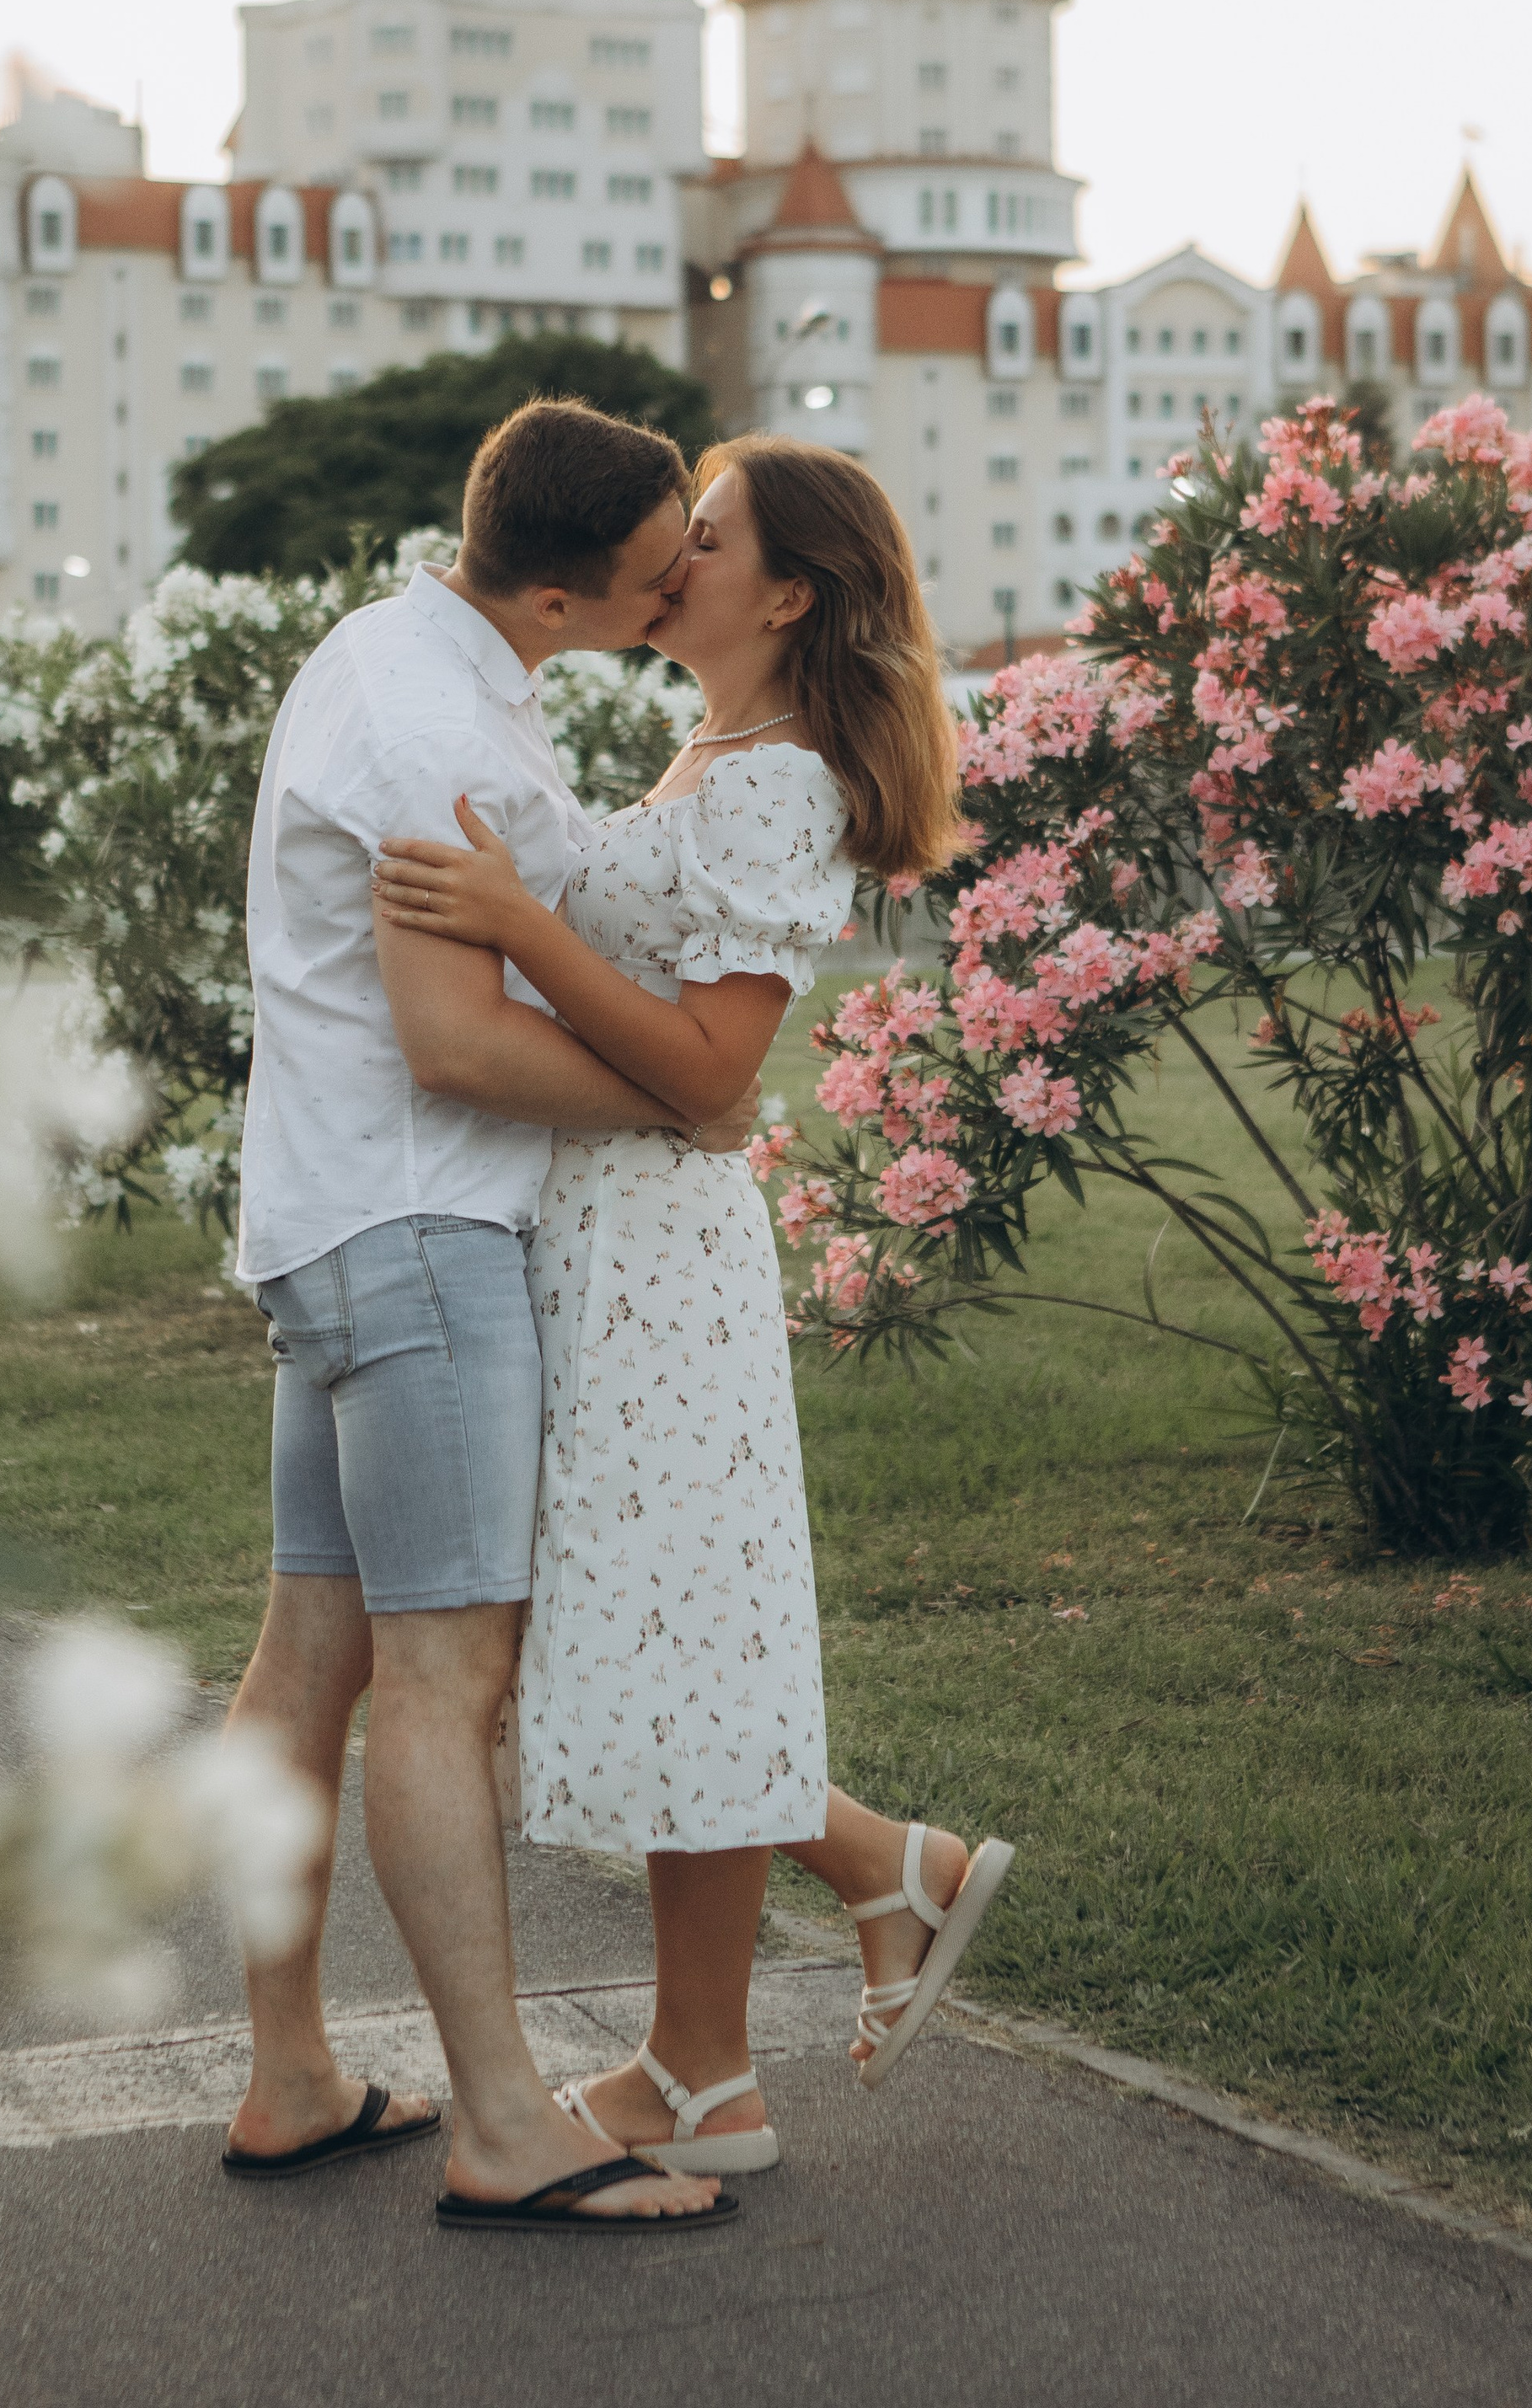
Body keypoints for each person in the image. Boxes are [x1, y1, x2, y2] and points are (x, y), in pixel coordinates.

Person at [372, 435, 1015, 2177]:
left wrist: (517, 917)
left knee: (667, 1632)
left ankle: (744, 2028)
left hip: (656, 1258)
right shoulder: (713, 755)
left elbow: (713, 1065)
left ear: (786, 592)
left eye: (705, 539)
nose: (672, 561)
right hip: (604, 1230)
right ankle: (749, 2015)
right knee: (652, 1629)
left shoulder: (778, 785)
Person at [222, 399, 752, 2234]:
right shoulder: (437, 729)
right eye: (658, 569)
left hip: (330, 1217)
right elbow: (454, 1041)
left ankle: (291, 2076)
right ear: (554, 593)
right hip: (418, 1232)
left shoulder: (395, 652)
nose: (682, 584)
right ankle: (507, 2123)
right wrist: (683, 1100)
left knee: (309, 1657)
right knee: (446, 1685)